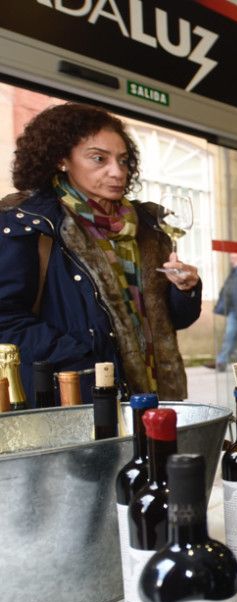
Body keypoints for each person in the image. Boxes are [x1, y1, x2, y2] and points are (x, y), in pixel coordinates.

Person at [0, 102, 201, 400]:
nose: (116, 171)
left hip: (154, 396)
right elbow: (6, 320)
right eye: (99, 159)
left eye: (123, 160)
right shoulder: (29, 223)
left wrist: (186, 289)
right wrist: (87, 361)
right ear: (61, 160)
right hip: (75, 399)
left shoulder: (147, 226)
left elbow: (174, 321)